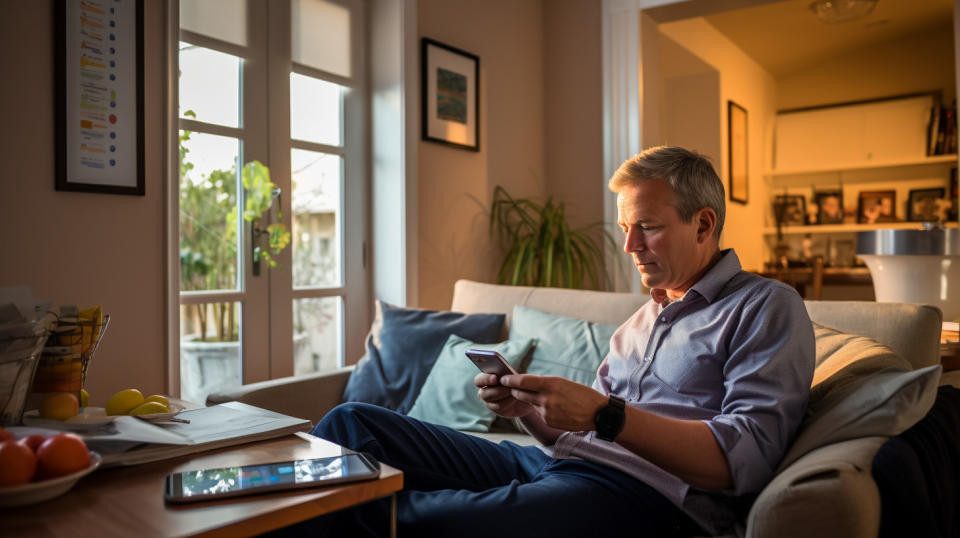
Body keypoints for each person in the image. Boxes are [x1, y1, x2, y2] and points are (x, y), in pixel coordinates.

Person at [298, 146, 815, 537]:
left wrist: (603, 414)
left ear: (704, 224)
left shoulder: (765, 307)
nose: (630, 246)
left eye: (648, 227)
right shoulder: (639, 320)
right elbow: (585, 434)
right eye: (625, 228)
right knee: (354, 422)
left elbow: (744, 459)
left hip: (643, 499)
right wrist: (526, 409)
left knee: (393, 516)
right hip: (557, 465)